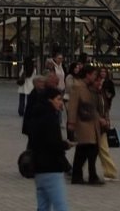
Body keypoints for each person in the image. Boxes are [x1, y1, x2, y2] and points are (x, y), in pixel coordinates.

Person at [28, 83, 70, 211]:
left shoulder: (36, 116)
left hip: (39, 168)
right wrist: (66, 144)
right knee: (61, 206)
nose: (61, 102)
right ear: (50, 100)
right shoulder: (50, 118)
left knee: (43, 207)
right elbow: (53, 143)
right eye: (58, 99)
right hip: (52, 168)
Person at [67, 65, 103, 185]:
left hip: (91, 122)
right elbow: (72, 105)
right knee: (85, 149)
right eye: (94, 75)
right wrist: (71, 122)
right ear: (88, 75)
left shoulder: (88, 87)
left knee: (86, 149)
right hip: (83, 122)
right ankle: (81, 176)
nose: (95, 77)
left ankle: (83, 175)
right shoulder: (78, 86)